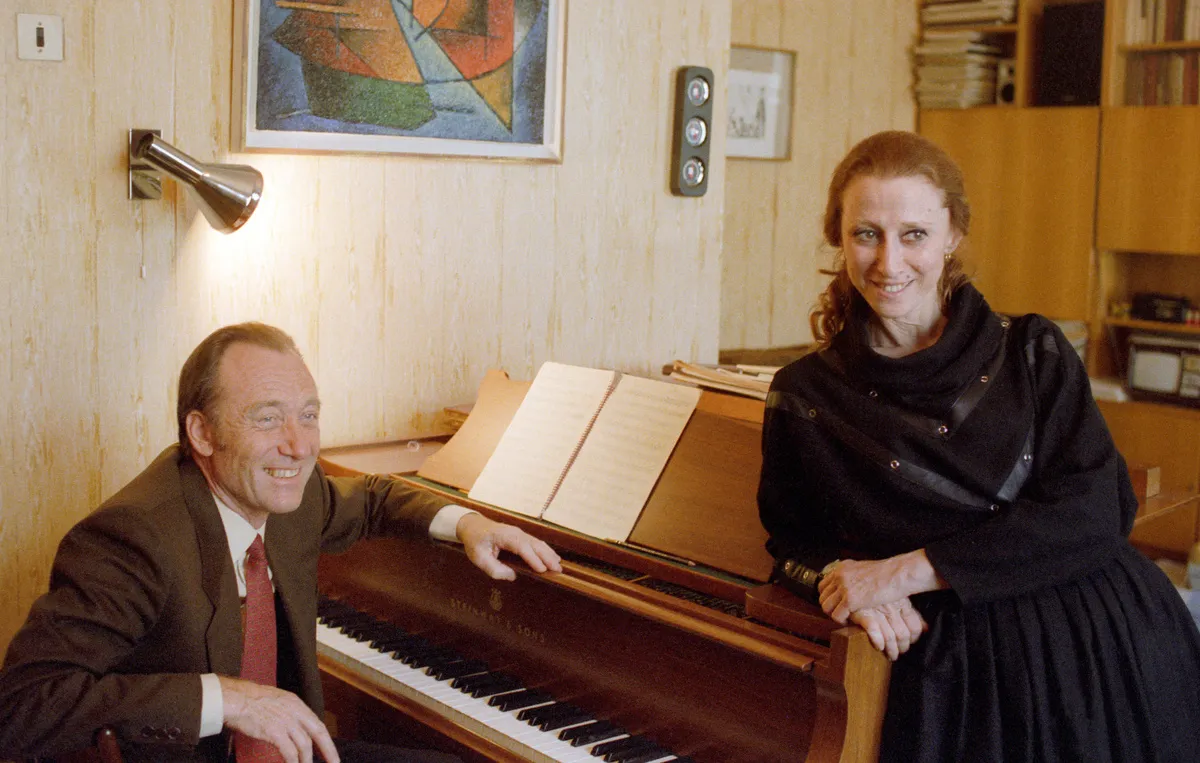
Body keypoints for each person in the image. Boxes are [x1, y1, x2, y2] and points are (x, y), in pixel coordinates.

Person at [758, 131, 1200, 762]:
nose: (888, 262)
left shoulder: (1034, 351)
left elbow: (1097, 509)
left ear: (953, 235)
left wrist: (900, 573)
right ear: (839, 237)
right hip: (952, 678)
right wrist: (841, 588)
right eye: (866, 234)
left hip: (1095, 650)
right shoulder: (802, 394)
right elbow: (792, 542)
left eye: (914, 234)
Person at [0, 322, 562, 763]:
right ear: (202, 433)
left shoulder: (290, 492)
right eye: (268, 419)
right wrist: (228, 698)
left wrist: (467, 524)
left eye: (308, 416)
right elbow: (22, 708)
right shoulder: (133, 538)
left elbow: (373, 499)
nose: (298, 446)